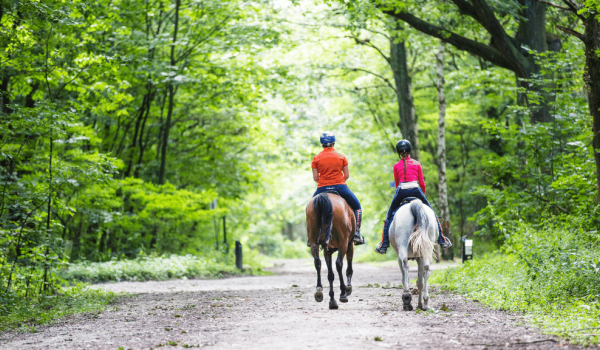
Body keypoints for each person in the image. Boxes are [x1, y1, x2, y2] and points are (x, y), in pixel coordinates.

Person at [375, 139, 452, 254]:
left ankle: (384, 244)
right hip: (416, 190)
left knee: (389, 216)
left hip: (401, 190)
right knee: (432, 213)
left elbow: (397, 184)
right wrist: (422, 195)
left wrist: (400, 194)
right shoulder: (417, 164)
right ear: (410, 151)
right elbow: (422, 183)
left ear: (399, 152)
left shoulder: (396, 166)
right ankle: (442, 239)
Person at [311, 132, 365, 245]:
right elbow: (347, 175)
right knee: (357, 207)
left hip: (322, 188)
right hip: (340, 186)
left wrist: (324, 181)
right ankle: (356, 233)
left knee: (311, 210)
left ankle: (312, 237)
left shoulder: (316, 158)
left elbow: (315, 178)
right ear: (333, 143)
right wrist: (338, 181)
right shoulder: (341, 156)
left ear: (322, 144)